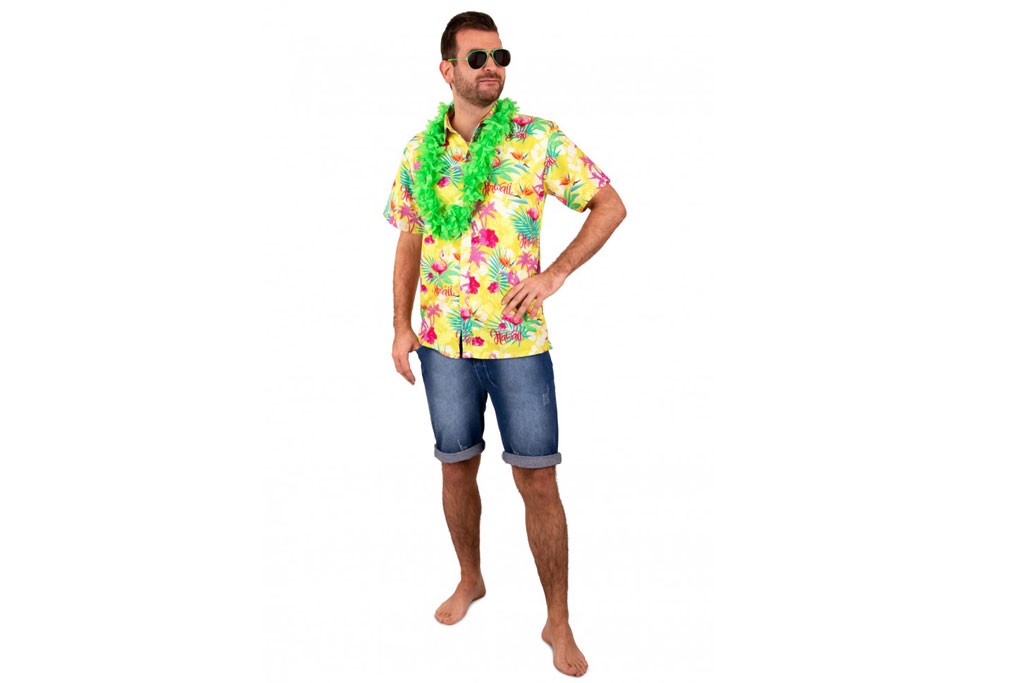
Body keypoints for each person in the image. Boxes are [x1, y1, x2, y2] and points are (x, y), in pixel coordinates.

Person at [383, 11, 626, 678]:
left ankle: (558, 619)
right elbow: (408, 238)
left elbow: (609, 205)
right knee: (454, 465)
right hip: (442, 343)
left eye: (500, 56)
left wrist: (556, 273)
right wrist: (401, 326)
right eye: (477, 57)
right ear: (447, 70)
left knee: (538, 478)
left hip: (518, 343)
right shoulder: (419, 152)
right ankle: (471, 578)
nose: (492, 66)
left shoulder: (537, 138)